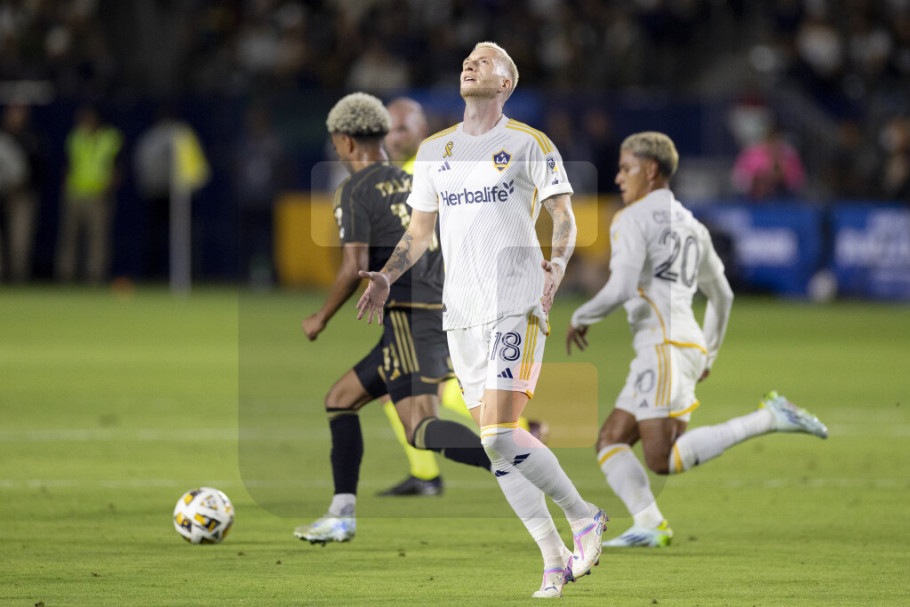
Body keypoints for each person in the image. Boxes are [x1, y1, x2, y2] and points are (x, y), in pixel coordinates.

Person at [356, 42, 606, 599]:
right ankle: (553, 560)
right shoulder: (434, 151)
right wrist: (387, 276)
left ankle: (583, 514)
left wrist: (558, 264)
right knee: (499, 448)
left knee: (495, 433)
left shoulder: (528, 143)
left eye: (486, 60)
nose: (471, 63)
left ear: (506, 84)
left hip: (517, 300)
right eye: (468, 59)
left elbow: (563, 215)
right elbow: (420, 232)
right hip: (460, 313)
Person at [565, 131, 828, 549]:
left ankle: (769, 418)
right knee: (611, 439)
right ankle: (650, 523)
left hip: (662, 347)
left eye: (626, 168)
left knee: (661, 459)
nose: (618, 177)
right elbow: (723, 295)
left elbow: (620, 287)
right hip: (679, 345)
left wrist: (581, 316)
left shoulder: (631, 218)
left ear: (651, 170)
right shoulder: (692, 225)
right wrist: (710, 353)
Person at [294, 92, 492, 545]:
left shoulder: (355, 189)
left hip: (408, 316)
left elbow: (353, 266)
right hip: (437, 309)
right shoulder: (414, 181)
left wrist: (321, 318)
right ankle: (341, 515)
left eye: (335, 143)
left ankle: (514, 461)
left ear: (345, 142)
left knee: (420, 429)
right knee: (340, 399)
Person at [55, 105, 123, 284]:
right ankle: (65, 276)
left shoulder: (110, 138)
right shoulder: (75, 137)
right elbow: (67, 163)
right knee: (69, 237)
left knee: (98, 239)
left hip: (99, 195)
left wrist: (108, 188)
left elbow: (118, 167)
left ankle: (94, 276)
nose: (84, 122)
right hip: (74, 193)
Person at [0, 103, 41, 283]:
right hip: (2, 193)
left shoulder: (31, 138)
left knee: (20, 241)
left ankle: (18, 278)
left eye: (19, 113)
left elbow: (34, 170)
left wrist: (19, 188)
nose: (15, 117)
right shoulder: (3, 137)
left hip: (21, 194)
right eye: (13, 113)